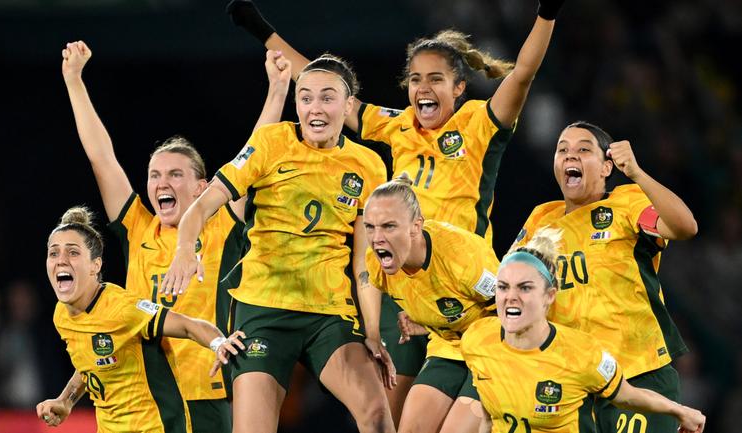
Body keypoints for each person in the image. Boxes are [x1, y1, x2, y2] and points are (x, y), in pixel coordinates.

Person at [226, 0, 564, 423]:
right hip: (403, 292)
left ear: (459, 87)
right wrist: (264, 32)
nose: (423, 88)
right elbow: (326, 90)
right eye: (416, 79)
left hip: (461, 289)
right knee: (386, 416)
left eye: (436, 79)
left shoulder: (481, 123)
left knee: (478, 413)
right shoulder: (397, 124)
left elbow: (523, 73)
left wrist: (546, 15)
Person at [61, 40, 290, 432]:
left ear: (203, 187)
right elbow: (102, 157)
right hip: (141, 394)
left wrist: (278, 90)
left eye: (174, 174)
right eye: (154, 175)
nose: (161, 182)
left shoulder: (221, 224)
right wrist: (74, 81)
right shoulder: (138, 227)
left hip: (205, 391)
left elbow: (255, 158)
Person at [162, 54, 395, 433]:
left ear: (348, 106)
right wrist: (185, 250)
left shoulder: (369, 165)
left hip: (329, 315)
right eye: (305, 98)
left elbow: (363, 262)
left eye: (327, 97)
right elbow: (203, 205)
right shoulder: (270, 143)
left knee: (377, 419)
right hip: (264, 312)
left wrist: (371, 331)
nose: (314, 108)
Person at [512, 121, 699, 432]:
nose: (571, 156)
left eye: (583, 149)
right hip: (575, 381)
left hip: (639, 373)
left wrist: (637, 173)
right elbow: (508, 286)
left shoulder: (627, 202)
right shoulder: (540, 219)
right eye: (562, 150)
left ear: (606, 167)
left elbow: (685, 227)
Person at [460, 229, 705, 433]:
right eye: (503, 287)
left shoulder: (582, 353)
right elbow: (490, 417)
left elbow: (628, 396)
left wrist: (679, 410)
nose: (511, 297)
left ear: (549, 296)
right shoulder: (477, 339)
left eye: (525, 288)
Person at [36, 206, 246, 432]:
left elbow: (187, 325)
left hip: (156, 427)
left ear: (95, 265)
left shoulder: (123, 308)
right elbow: (89, 361)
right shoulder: (62, 314)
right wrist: (66, 400)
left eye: (73, 252)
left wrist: (218, 343)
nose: (61, 260)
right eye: (53, 253)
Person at [362, 173, 499, 433]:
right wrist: (425, 322)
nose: (377, 237)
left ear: (416, 226)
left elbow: (513, 310)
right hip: (447, 348)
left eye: (389, 226)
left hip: (491, 350)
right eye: (370, 227)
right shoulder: (377, 262)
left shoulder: (461, 255)